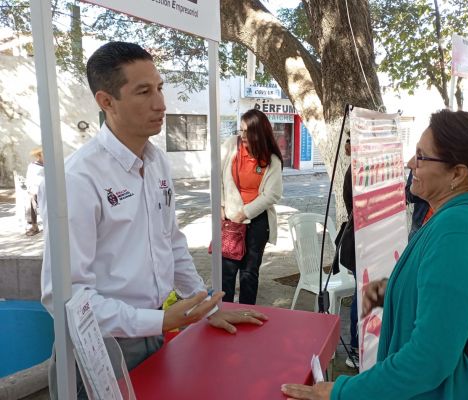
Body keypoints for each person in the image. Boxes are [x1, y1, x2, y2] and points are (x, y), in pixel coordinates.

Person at [40, 42, 266, 399]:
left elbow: (171, 242)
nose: (160, 103)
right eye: (143, 92)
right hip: (100, 347)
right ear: (106, 101)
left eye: (159, 88)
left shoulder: (156, 161)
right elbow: (66, 300)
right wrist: (158, 320)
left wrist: (204, 306)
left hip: (155, 331)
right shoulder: (78, 178)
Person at [282, 110, 468, 400]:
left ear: (457, 174)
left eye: (421, 157)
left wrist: (341, 392)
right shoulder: (465, 218)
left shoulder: (460, 232)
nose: (410, 163)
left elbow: (428, 360)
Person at [220, 108, 283, 304]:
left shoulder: (272, 160)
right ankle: (225, 313)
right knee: (226, 272)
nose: (243, 136)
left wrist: (246, 212)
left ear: (261, 133)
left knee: (249, 273)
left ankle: (246, 313)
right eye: (241, 130)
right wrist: (220, 205)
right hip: (231, 219)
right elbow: (216, 177)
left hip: (257, 222)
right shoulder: (231, 145)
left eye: (248, 132)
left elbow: (272, 194)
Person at [332, 133, 358, 368]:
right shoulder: (355, 171)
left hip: (363, 240)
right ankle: (356, 348)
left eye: (350, 141)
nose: (347, 145)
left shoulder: (359, 169)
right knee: (362, 294)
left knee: (363, 292)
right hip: (359, 241)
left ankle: (357, 347)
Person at [25, 147, 44, 236]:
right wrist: (30, 189)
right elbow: (29, 179)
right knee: (32, 200)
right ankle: (34, 226)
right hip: (36, 189)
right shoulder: (32, 166)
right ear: (39, 155)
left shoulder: (51, 165)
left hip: (47, 189)